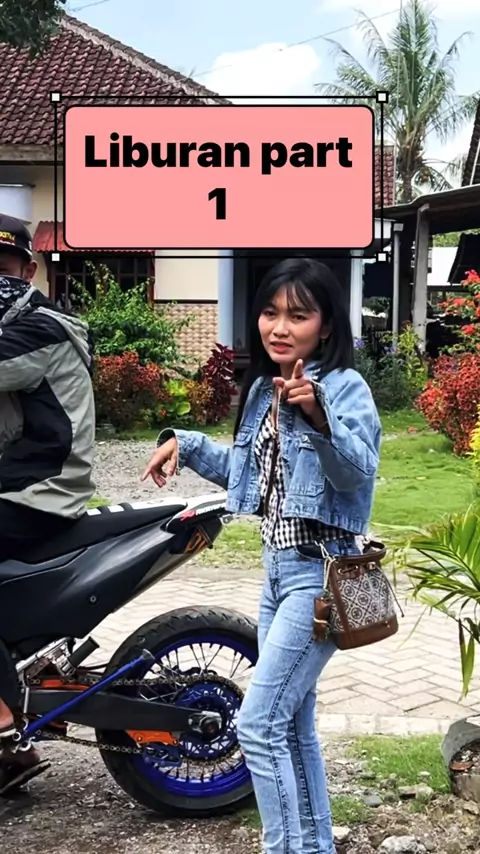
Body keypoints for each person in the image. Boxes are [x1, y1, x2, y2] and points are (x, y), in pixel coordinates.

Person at [142, 257, 381, 854]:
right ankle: (314, 847)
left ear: (326, 326)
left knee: (258, 724)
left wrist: (319, 416)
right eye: (271, 312)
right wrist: (186, 443)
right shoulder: (260, 390)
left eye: (298, 316)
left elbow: (358, 474)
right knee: (291, 725)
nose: (280, 327)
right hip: (276, 575)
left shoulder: (343, 388)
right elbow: (248, 474)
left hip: (319, 575)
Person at [0, 213, 96, 795]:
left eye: (3, 267)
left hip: (45, 488)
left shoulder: (42, 327)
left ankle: (3, 717)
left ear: (29, 269)